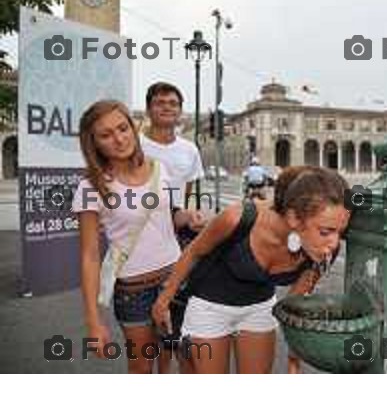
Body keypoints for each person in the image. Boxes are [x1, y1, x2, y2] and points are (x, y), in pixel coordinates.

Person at [152, 166, 351, 374]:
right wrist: (163, 300)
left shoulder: (324, 253)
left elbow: (294, 303)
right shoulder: (237, 218)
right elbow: (193, 252)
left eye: (340, 232)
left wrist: (295, 355)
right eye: (326, 231)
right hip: (210, 307)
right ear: (293, 218)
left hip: (259, 308)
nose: (334, 242)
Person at [72, 100, 181, 374]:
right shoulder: (90, 188)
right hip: (135, 293)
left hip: (176, 282)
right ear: (93, 143)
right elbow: (89, 256)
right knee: (142, 367)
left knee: (173, 358)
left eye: (123, 128)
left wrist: (188, 216)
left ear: (133, 128)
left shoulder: (159, 169)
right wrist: (93, 321)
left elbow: (165, 221)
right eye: (106, 135)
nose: (119, 139)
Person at [140, 82, 206, 372]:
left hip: (178, 234)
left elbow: (186, 193)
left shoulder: (189, 150)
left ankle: (166, 370)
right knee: (145, 312)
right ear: (149, 108)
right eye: (160, 102)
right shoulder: (136, 146)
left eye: (173, 103)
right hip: (142, 235)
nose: (167, 107)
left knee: (175, 310)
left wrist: (186, 217)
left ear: (180, 111)